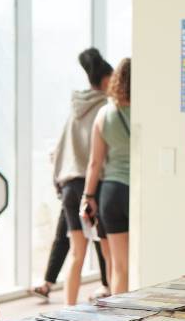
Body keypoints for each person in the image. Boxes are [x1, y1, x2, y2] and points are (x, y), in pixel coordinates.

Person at [34, 48, 114, 304]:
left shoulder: (75, 108)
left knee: (77, 253)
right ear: (105, 81)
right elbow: (101, 156)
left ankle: (69, 310)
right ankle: (109, 293)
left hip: (69, 185)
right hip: (93, 186)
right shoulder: (105, 109)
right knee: (106, 247)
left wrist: (59, 181)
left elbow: (60, 148)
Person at [81, 58, 131, 294]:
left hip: (110, 192)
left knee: (119, 267)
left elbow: (94, 162)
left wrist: (88, 195)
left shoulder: (104, 113)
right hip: (135, 191)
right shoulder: (146, 112)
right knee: (139, 263)